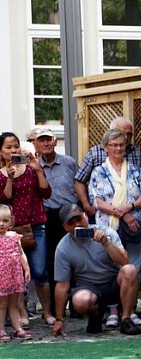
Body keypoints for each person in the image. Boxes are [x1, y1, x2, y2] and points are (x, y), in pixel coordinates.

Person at [51, 203, 141, 337]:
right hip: (88, 286)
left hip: (113, 282)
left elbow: (124, 261)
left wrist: (106, 243)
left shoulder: (107, 232)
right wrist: (59, 319)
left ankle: (126, 319)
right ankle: (95, 314)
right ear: (65, 227)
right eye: (71, 223)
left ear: (85, 216)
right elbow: (62, 285)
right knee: (80, 301)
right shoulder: (63, 248)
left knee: (130, 270)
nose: (77, 224)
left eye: (78, 219)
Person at [0, 131, 53, 327]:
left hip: (36, 225)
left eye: (16, 146)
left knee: (39, 271)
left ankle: (47, 312)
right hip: (10, 231)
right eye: (8, 147)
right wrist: (10, 178)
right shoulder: (1, 174)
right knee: (15, 274)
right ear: (1, 151)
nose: (13, 150)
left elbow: (46, 193)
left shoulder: (31, 168)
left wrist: (38, 170)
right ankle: (22, 313)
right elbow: (4, 199)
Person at [88, 129, 141, 276]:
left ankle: (132, 292)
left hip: (135, 227)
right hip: (107, 227)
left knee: (134, 268)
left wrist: (130, 206)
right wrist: (123, 215)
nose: (118, 148)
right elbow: (96, 201)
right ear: (106, 147)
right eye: (114, 145)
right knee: (110, 269)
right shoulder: (98, 172)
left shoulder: (136, 170)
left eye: (121, 145)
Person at [32, 126, 78, 319]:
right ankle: (54, 306)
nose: (46, 143)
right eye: (41, 140)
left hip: (70, 213)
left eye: (49, 139)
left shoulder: (69, 162)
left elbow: (78, 186)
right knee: (52, 259)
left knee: (75, 257)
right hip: (48, 215)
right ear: (35, 144)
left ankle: (76, 303)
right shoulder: (33, 166)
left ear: (55, 141)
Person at [75, 117, 141, 219]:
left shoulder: (138, 153)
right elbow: (80, 180)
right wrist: (86, 205)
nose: (125, 137)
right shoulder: (95, 154)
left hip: (135, 215)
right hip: (106, 215)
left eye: (129, 134)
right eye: (122, 133)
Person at [0, 204, 31, 341]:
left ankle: (17, 328)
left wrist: (26, 268)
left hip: (14, 276)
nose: (1, 224)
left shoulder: (14, 236)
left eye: (5, 221)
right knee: (2, 305)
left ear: (11, 222)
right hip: (1, 278)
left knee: (14, 304)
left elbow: (21, 253)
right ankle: (1, 329)